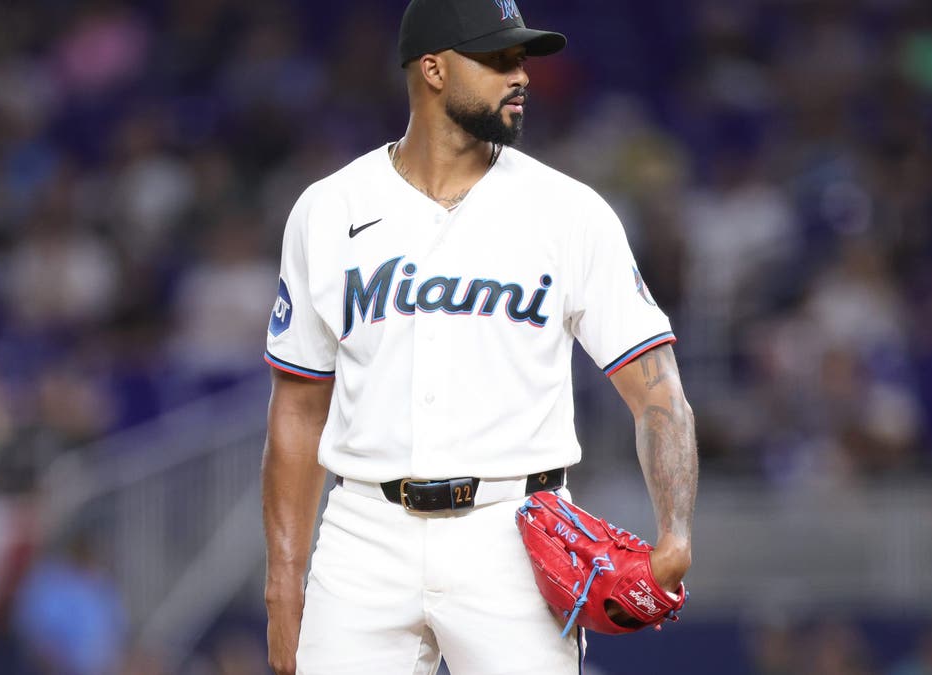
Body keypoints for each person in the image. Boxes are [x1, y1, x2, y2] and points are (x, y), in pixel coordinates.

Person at [260, 0, 698, 672]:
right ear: (432, 69)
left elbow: (658, 388)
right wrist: (283, 585)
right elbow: (295, 409)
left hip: (514, 532)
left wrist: (676, 530)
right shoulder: (328, 210)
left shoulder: (569, 212)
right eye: (498, 58)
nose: (519, 74)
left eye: (521, 57)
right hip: (363, 534)